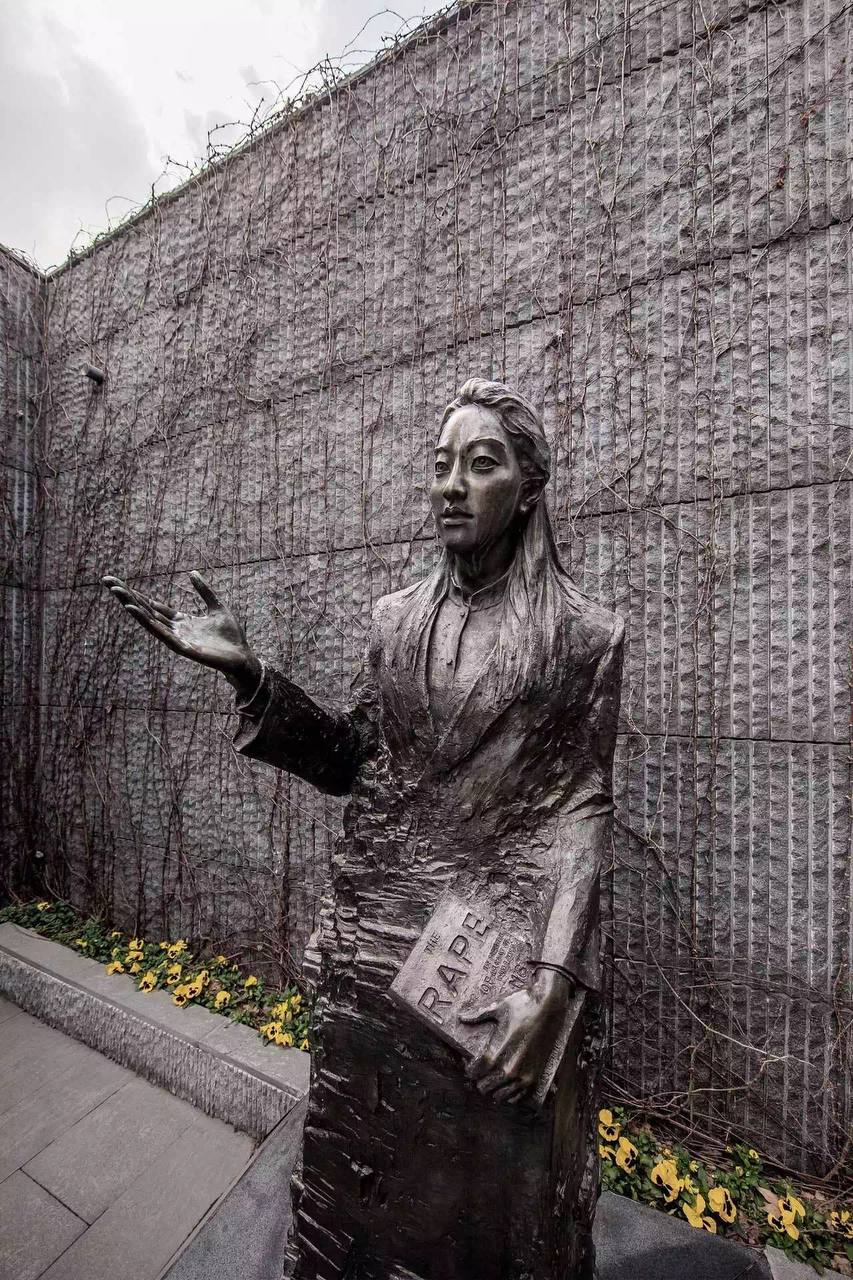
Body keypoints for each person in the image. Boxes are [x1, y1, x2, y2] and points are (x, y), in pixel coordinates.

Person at [104, 377, 624, 1280]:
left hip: (491, 967)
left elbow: (578, 806)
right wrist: (251, 677)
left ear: (527, 489)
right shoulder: (392, 621)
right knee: (358, 1194)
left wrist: (553, 984)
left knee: (485, 1221)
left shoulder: (583, 637)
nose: (452, 485)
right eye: (441, 465)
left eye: (481, 464)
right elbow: (353, 760)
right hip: (378, 954)